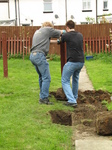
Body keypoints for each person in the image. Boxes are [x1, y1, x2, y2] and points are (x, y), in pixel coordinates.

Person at [30, 21, 65, 105]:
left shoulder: (38, 31)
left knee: (41, 76)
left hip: (33, 55)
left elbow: (47, 41)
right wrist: (67, 31)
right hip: (39, 55)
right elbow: (61, 32)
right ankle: (43, 99)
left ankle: (43, 94)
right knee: (46, 77)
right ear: (49, 27)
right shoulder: (48, 29)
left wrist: (57, 42)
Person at [60, 20, 84, 107]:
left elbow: (61, 40)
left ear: (67, 27)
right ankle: (74, 97)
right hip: (81, 61)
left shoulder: (66, 35)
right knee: (75, 79)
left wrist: (62, 33)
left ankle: (71, 100)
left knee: (65, 80)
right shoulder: (80, 35)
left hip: (72, 62)